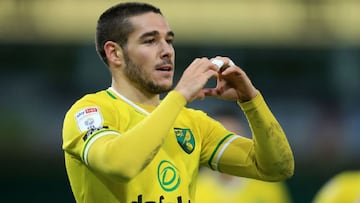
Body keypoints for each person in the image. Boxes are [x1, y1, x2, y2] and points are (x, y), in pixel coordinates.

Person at [62, 2, 294, 203]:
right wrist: (179, 95)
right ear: (115, 53)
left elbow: (277, 167)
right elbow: (121, 165)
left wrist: (251, 100)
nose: (167, 51)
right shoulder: (91, 112)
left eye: (169, 40)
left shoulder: (193, 123)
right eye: (150, 41)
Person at [195, 108, 293, 203]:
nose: (228, 148)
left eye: (233, 140)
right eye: (221, 141)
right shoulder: (194, 187)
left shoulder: (268, 187)